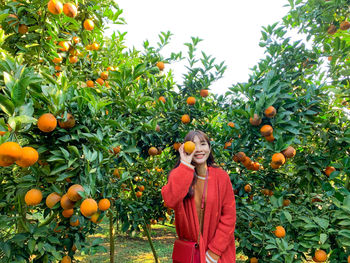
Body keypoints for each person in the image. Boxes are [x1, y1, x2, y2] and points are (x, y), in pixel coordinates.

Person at [161, 130, 236, 263]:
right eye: (193, 145)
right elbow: (170, 200)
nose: (199, 149)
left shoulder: (221, 177)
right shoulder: (179, 174)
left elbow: (229, 217)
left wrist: (214, 252)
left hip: (216, 254)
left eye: (203, 144)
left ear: (209, 148)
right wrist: (185, 163)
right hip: (189, 253)